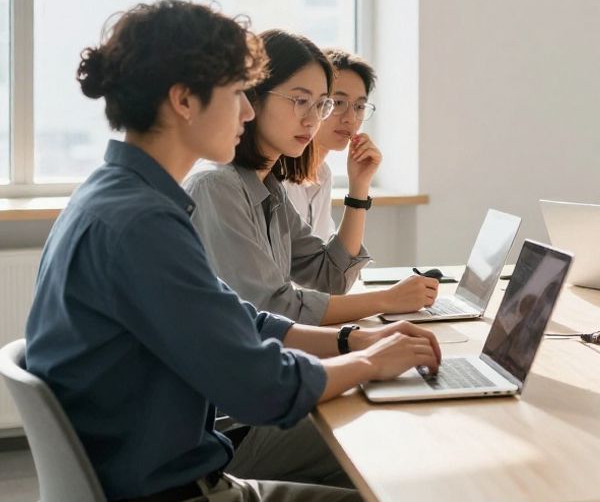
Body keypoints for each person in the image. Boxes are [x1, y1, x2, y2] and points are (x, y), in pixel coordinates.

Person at [25, 0, 441, 502]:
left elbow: (242, 318)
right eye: (237, 94)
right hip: (174, 495)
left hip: (163, 477)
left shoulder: (120, 195)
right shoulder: (143, 222)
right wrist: (369, 361)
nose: (247, 110)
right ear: (184, 100)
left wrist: (357, 340)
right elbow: (262, 387)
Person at [186, 30, 437, 325]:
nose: (312, 119)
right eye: (300, 100)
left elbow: (330, 276)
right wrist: (385, 301)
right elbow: (271, 309)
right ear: (254, 95)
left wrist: (359, 188)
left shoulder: (268, 187)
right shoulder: (217, 187)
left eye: (321, 105)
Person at [285, 49, 379, 240]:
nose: (351, 119)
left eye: (359, 107)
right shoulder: (279, 175)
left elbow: (332, 263)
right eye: (338, 103)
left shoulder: (322, 174)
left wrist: (359, 185)